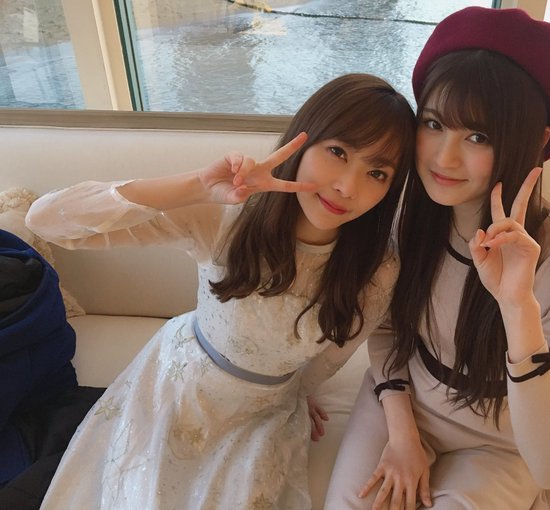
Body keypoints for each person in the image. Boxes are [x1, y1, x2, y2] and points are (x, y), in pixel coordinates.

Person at [25, 73, 416, 510]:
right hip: (178, 386)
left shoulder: (377, 270)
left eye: (376, 172)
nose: (347, 187)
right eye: (338, 152)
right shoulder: (227, 218)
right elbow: (47, 221)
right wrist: (197, 185)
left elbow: (330, 360)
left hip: (266, 416)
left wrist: (296, 390)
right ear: (303, 140)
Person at [325, 7, 550, 510]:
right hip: (403, 401)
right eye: (433, 124)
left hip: (502, 444)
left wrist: (518, 307)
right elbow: (386, 324)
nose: (444, 158)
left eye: (478, 136)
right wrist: (403, 434)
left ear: (536, 141)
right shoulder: (409, 215)